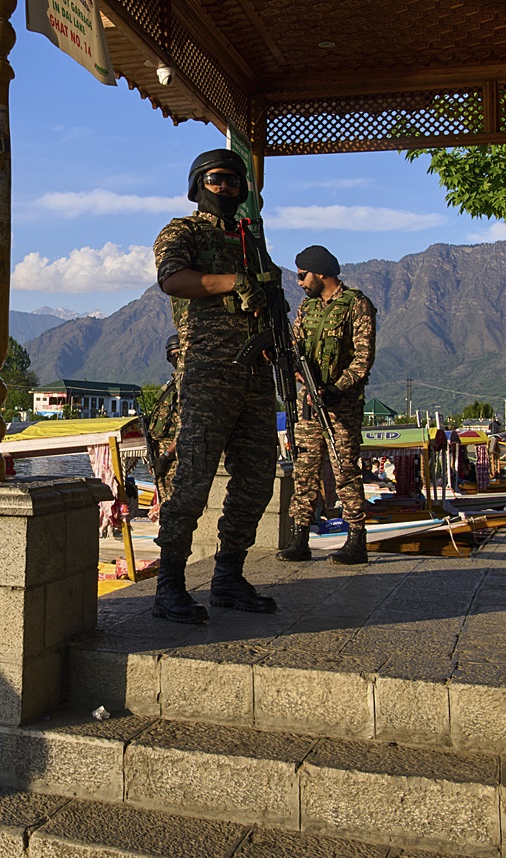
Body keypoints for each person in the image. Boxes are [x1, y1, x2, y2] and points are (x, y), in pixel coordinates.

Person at [149, 148, 279, 624]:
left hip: (256, 375)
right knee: (190, 484)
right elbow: (172, 279)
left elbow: (269, 297)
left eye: (233, 181)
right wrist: (231, 282)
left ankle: (228, 578)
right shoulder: (181, 231)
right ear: (198, 183)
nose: (226, 188)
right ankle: (169, 586)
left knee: (256, 481)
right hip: (206, 373)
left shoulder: (251, 239)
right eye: (217, 180)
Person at [278, 245, 377, 564]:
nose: (299, 282)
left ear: (321, 272)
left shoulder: (356, 304)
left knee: (345, 471)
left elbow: (363, 359)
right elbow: (295, 347)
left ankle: (357, 540)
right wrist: (292, 369)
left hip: (341, 407)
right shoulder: (307, 309)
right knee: (304, 472)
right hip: (309, 406)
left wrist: (335, 389)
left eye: (303, 275)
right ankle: (298, 539)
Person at [143, 333, 182, 512]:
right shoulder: (171, 385)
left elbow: (185, 428)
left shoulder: (188, 385)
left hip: (174, 461)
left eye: (179, 354)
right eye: (172, 355)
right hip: (161, 458)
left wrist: (166, 456)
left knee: (175, 509)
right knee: (165, 507)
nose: (176, 358)